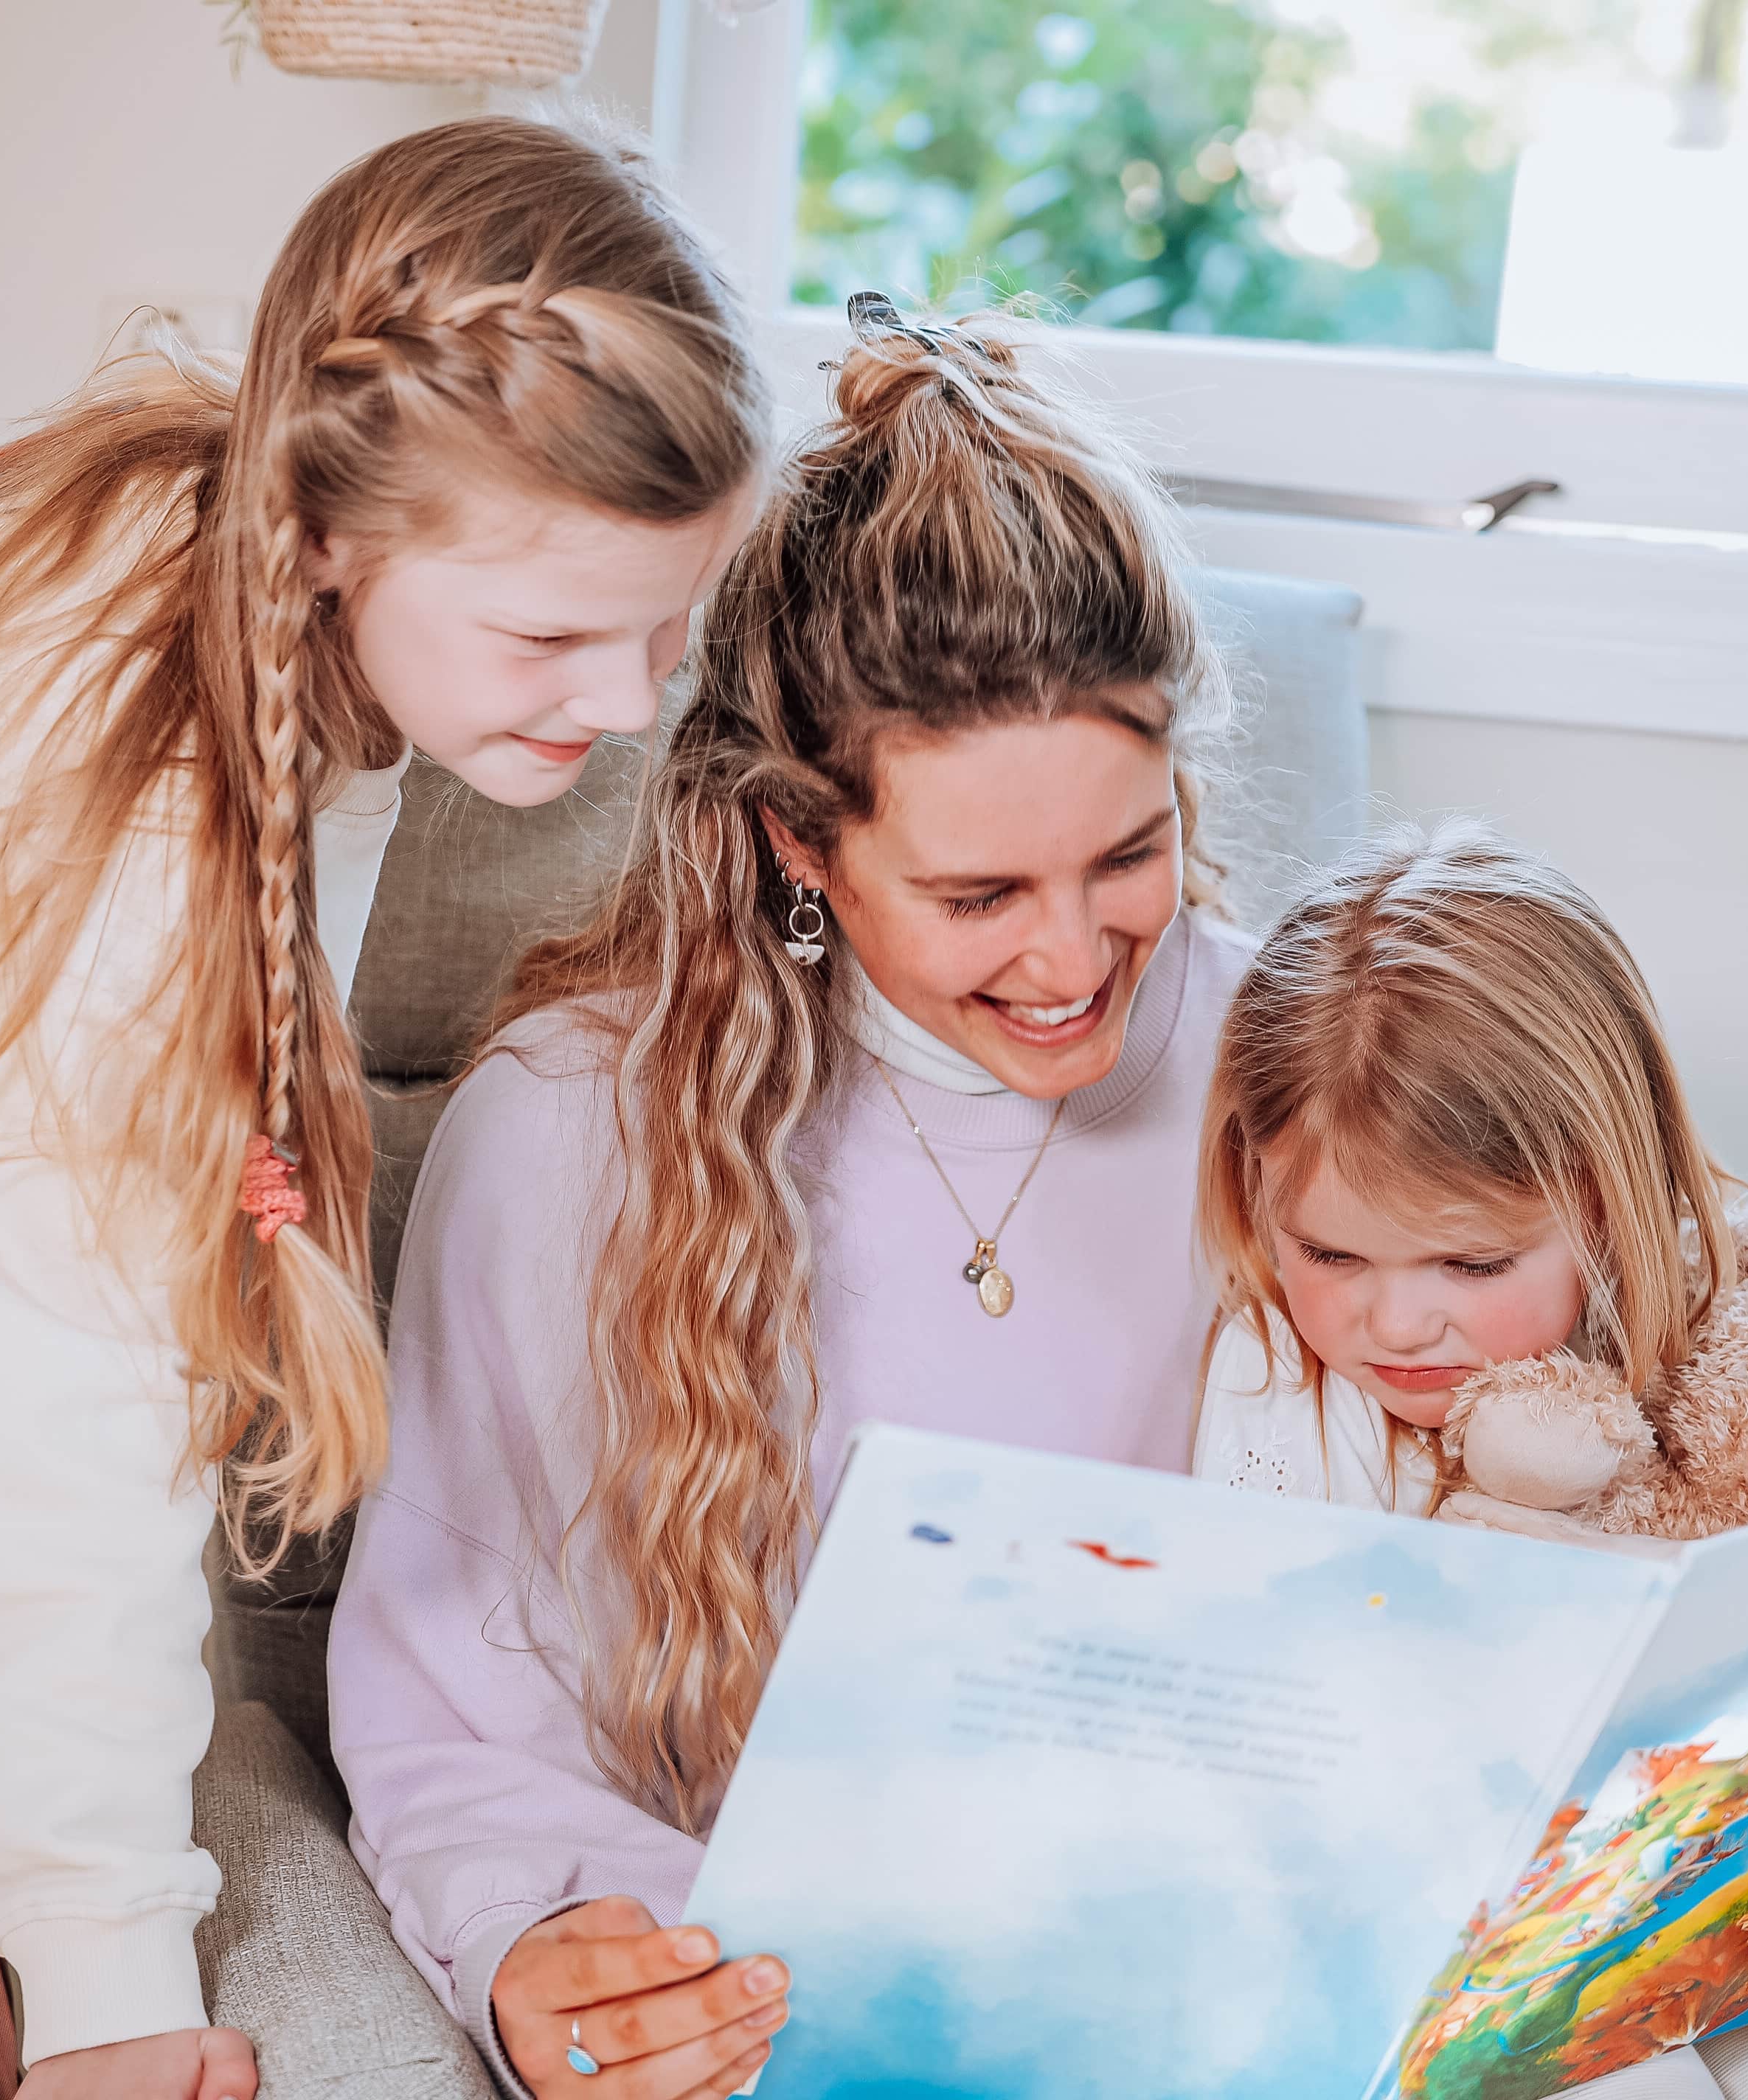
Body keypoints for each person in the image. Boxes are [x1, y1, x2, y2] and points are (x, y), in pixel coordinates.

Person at [0, 118, 764, 2100]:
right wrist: (108, 1992)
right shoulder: (123, 825)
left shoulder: (233, 541)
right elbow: (50, 1393)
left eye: (666, 630)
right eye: (547, 637)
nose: (622, 702)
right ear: (341, 528)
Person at [330, 303, 1260, 2099]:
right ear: (800, 845)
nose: (1077, 955)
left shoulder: (1285, 1051)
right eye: (980, 890)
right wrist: (538, 1946)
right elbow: (451, 1706)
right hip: (817, 2012)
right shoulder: (571, 1129)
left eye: (1129, 853)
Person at [1191, 820, 1748, 2100]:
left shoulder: (1738, 1353)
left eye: (1472, 1264)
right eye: (1331, 1255)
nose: (1397, 1324)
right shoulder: (1277, 1388)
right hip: (1428, 1949)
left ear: (1599, 1194)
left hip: (1716, 1903)